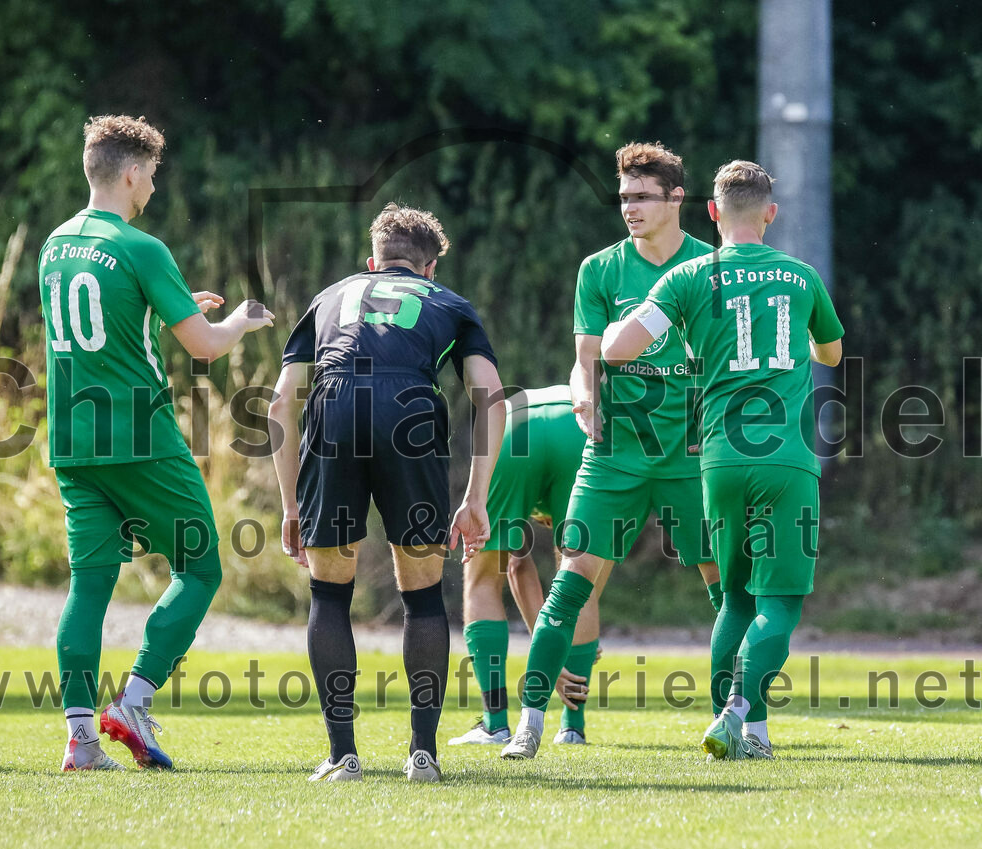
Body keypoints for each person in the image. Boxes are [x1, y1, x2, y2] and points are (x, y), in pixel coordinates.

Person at [41, 115, 274, 771]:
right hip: (141, 437)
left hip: (72, 442)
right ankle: (135, 700)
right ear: (131, 172)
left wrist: (166, 304)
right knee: (200, 567)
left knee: (89, 586)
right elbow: (202, 345)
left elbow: (102, 321)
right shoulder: (142, 248)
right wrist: (240, 320)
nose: (152, 188)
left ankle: (81, 739)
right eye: (152, 175)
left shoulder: (55, 245)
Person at [601, 160, 844, 759]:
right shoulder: (800, 275)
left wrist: (643, 338)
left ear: (711, 212)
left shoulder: (685, 278)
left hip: (719, 461)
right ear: (771, 213)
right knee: (780, 601)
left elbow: (619, 350)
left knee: (734, 599)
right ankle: (739, 706)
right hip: (786, 460)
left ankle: (745, 734)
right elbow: (832, 354)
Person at [268, 202, 505, 783]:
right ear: (428, 270)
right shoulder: (448, 303)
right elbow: (491, 396)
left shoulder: (328, 298)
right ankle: (422, 754)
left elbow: (278, 404)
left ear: (372, 261)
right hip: (410, 414)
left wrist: (292, 503)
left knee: (329, 592)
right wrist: (475, 497)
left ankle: (342, 755)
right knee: (423, 594)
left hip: (336, 407)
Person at [501, 142, 721, 760]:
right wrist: (583, 399)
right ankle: (530, 721)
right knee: (571, 583)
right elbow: (585, 361)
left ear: (677, 199)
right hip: (615, 451)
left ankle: (738, 718)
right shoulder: (600, 269)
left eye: (643, 197)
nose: (629, 207)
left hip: (688, 450)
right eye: (623, 197)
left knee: (722, 582)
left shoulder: (714, 267)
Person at [448, 385, 603, 747]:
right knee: (581, 580)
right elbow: (526, 572)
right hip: (579, 427)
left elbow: (516, 567)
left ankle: (495, 723)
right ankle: (572, 728)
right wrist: (553, 651)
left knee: (483, 577)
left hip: (515, 426)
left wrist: (548, 647)